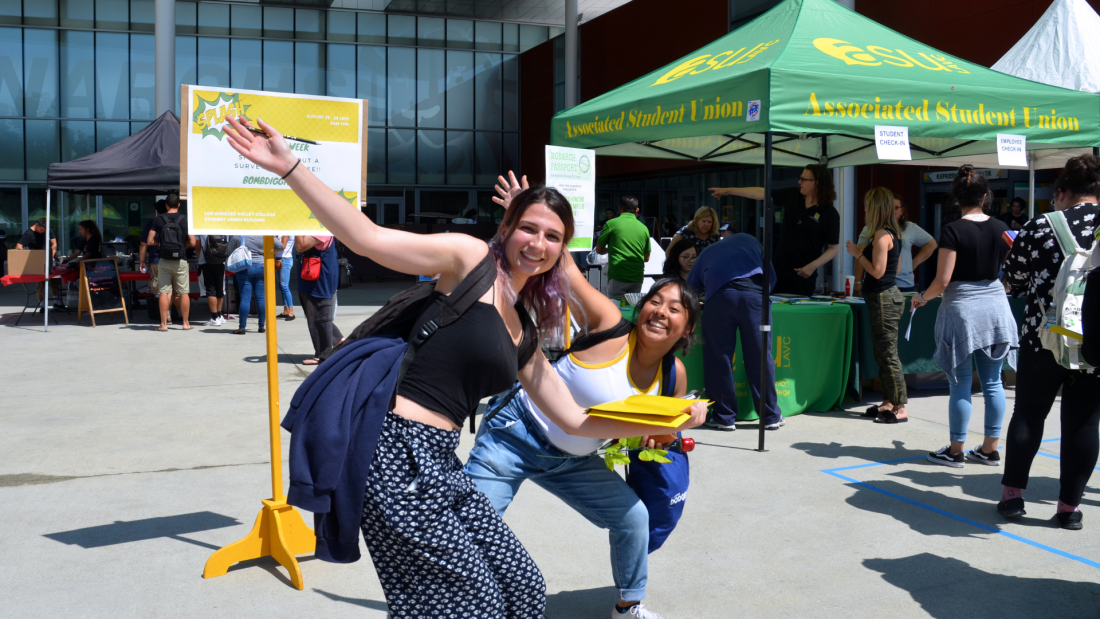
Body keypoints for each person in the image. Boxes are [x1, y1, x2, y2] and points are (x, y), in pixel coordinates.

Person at [224, 120, 708, 619]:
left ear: (563, 250)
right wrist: (289, 167)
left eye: (552, 236)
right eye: (528, 227)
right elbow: (366, 237)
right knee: (471, 601)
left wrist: (671, 420)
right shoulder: (469, 260)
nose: (537, 243)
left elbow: (577, 419)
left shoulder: (524, 327)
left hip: (440, 459)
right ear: (506, 228)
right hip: (392, 451)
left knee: (522, 587)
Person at [467, 261, 699, 619]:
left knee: (634, 518)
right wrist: (527, 208)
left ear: (687, 329)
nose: (660, 312)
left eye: (674, 308)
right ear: (640, 308)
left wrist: (680, 425)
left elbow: (657, 437)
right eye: (655, 300)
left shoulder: (673, 376)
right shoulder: (610, 327)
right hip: (513, 435)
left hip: (571, 462)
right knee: (470, 526)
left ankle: (629, 606)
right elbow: (566, 271)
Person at [999, 155, 1100, 530]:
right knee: (1085, 423)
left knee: (1028, 413)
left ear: (1061, 193)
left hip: (1041, 338)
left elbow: (1015, 283)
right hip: (1094, 340)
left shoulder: (1040, 226)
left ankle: (1012, 498)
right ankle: (1068, 508)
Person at [912, 165, 1016, 466]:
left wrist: (922, 298)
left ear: (958, 199)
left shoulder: (953, 230)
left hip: (962, 310)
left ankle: (956, 451)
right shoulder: (1002, 227)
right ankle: (989, 448)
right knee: (993, 383)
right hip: (996, 307)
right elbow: (1010, 268)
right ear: (985, 196)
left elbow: (942, 281)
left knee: (959, 383)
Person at [687, 232, 783, 432]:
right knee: (760, 356)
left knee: (718, 357)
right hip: (755, 299)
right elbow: (771, 279)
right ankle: (770, 415)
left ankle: (723, 417)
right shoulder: (754, 242)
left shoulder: (707, 251)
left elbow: (690, 289)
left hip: (720, 300)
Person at [711, 165, 840, 296]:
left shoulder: (829, 213)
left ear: (816, 183)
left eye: (803, 179)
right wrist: (729, 191)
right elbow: (763, 193)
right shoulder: (794, 195)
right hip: (779, 270)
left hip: (804, 275)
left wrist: (813, 266)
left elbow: (833, 248)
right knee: (773, 309)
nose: (799, 182)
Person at [847, 188, 908, 424]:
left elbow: (878, 271)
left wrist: (857, 254)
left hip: (884, 298)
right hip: (884, 296)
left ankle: (900, 406)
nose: (864, 210)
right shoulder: (891, 233)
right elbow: (897, 268)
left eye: (867, 206)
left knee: (888, 354)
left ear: (875, 208)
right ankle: (889, 401)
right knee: (883, 354)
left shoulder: (883, 235)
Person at [854, 195, 936, 293]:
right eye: (888, 208)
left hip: (904, 283)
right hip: (877, 283)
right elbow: (860, 255)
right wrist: (857, 281)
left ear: (902, 211)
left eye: (895, 208)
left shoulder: (910, 227)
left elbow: (931, 244)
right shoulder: (870, 228)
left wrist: (914, 263)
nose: (892, 211)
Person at [148, 195, 195, 331]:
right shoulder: (186, 220)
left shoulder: (158, 220)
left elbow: (150, 241)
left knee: (164, 292)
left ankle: (163, 325)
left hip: (164, 260)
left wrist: (161, 243)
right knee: (184, 292)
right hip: (181, 260)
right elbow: (192, 242)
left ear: (166, 205)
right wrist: (182, 245)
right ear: (179, 205)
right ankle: (185, 323)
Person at [296, 235, 343, 364]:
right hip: (310, 277)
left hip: (320, 278)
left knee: (321, 316)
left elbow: (300, 246)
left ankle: (324, 354)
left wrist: (295, 228)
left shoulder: (321, 229)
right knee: (314, 316)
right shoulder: (316, 228)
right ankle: (338, 340)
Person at [597, 196, 651, 301]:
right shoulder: (644, 228)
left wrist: (612, 249)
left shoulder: (611, 224)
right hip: (637, 276)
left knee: (616, 311)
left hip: (618, 275)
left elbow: (599, 250)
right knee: (631, 310)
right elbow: (647, 258)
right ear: (637, 210)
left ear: (619, 208)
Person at [227, 235, 281, 335]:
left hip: (245, 266)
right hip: (261, 266)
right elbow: (280, 245)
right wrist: (267, 252)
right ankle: (261, 326)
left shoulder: (239, 235)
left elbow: (230, 249)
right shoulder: (263, 234)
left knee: (245, 298)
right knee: (260, 297)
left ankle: (242, 327)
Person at [15, 217, 58, 307]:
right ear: (37, 225)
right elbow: (19, 246)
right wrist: (29, 257)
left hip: (50, 258)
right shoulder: (29, 234)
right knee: (40, 282)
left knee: (54, 279)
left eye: (45, 230)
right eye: (41, 230)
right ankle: (41, 304)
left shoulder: (47, 229)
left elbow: (54, 243)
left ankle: (57, 300)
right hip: (37, 260)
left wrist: (52, 255)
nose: (43, 231)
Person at [198, 234, 229, 327]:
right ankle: (219, 315)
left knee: (210, 289)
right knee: (220, 289)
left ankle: (214, 318)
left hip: (205, 262)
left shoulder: (201, 229)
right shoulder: (222, 228)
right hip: (220, 261)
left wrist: (200, 258)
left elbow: (196, 247)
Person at [276, 235, 296, 321]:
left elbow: (283, 246)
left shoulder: (287, 230)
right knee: (281, 286)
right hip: (278, 259)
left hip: (285, 259)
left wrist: (268, 251)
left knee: (284, 286)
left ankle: (291, 312)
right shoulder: (281, 230)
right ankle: (285, 310)